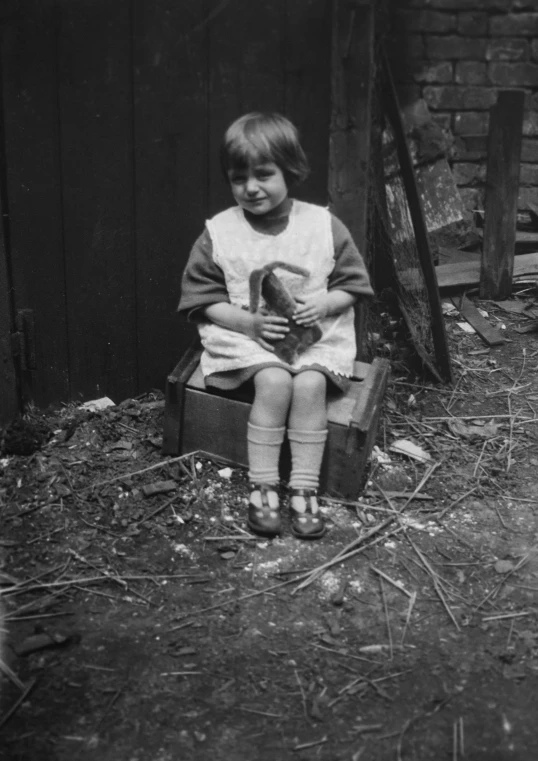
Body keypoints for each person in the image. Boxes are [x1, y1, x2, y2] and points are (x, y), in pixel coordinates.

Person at [178, 112, 373, 540]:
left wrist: (323, 304)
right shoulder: (220, 232)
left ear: (291, 170)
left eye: (264, 174)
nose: (251, 187)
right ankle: (263, 484)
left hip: (314, 337)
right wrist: (246, 322)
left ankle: (304, 488)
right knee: (274, 382)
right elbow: (203, 299)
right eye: (238, 178)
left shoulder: (323, 225)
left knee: (308, 386)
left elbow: (354, 286)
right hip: (250, 338)